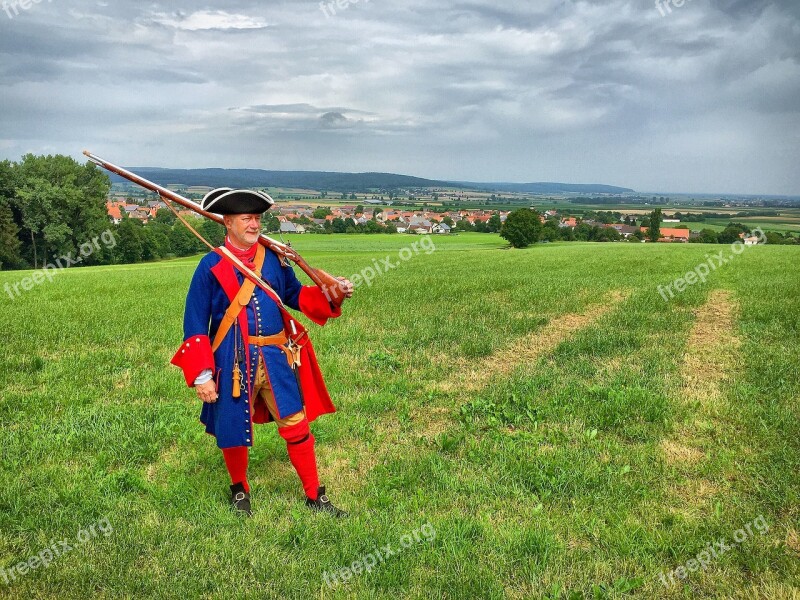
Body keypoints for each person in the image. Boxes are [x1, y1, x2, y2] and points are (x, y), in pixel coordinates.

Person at [171, 187, 353, 517]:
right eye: (246, 218)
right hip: (232, 361)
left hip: (276, 357)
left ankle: (314, 496)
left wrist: (332, 292)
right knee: (231, 427)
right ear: (227, 222)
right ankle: (240, 490)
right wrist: (202, 375)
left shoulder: (273, 259)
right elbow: (195, 323)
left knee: (296, 423)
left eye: (257, 218)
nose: (254, 225)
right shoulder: (210, 266)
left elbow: (295, 295)